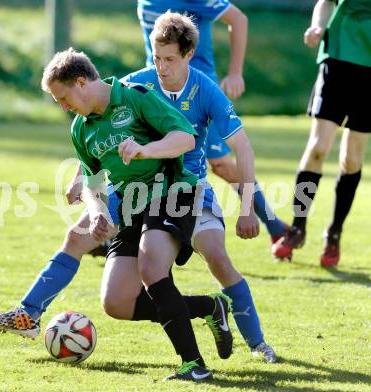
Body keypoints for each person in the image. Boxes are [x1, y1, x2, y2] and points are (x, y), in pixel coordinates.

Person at [0, 47, 234, 381]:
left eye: (63, 97)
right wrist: (99, 210)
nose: (63, 106)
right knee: (117, 302)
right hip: (131, 204)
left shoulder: (136, 98)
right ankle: (209, 307)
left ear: (82, 82)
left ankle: (194, 365)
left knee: (151, 266)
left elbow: (185, 138)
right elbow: (92, 178)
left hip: (173, 193)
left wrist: (146, 150)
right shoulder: (80, 128)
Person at [101, 10, 276, 364]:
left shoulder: (205, 89)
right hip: (143, 196)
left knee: (217, 256)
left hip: (192, 192)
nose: (161, 67)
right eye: (156, 57)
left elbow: (243, 148)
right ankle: (206, 312)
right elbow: (96, 119)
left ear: (188, 54)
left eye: (169, 59)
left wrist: (246, 210)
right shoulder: (136, 83)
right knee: (109, 264)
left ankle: (257, 344)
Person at [137, 0, 288, 249]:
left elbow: (238, 19)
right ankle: (119, 232)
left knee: (221, 164)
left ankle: (275, 227)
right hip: (155, 95)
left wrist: (236, 72)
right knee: (146, 160)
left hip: (195, 92)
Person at [272, 0, 371, 267]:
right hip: (338, 59)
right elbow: (326, 2)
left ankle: (334, 233)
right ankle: (298, 227)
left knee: (351, 159)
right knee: (318, 148)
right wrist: (317, 27)